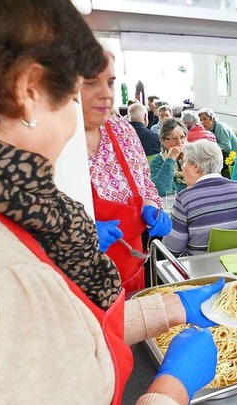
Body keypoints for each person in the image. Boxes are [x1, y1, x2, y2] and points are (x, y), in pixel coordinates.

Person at [0, 1, 224, 405]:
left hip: (129, 280)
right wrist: (173, 387)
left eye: (110, 83)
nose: (98, 97)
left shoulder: (21, 198)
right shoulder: (5, 280)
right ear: (29, 92)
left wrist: (169, 308)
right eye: (76, 89)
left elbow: (64, 337)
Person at [82, 51, 171, 293]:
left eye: (110, 82)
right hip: (82, 282)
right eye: (91, 82)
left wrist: (152, 206)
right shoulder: (54, 139)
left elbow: (145, 183)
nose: (106, 94)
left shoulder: (122, 130)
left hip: (132, 271)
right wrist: (82, 234)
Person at [164, 139, 237, 255]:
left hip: (201, 270)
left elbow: (173, 248)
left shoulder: (184, 199)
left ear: (196, 168)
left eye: (184, 162)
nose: (182, 167)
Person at [149, 118, 188, 195]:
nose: (179, 142)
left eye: (182, 137)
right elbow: (162, 190)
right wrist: (170, 159)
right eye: (174, 139)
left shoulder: (194, 157)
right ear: (163, 141)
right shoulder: (157, 162)